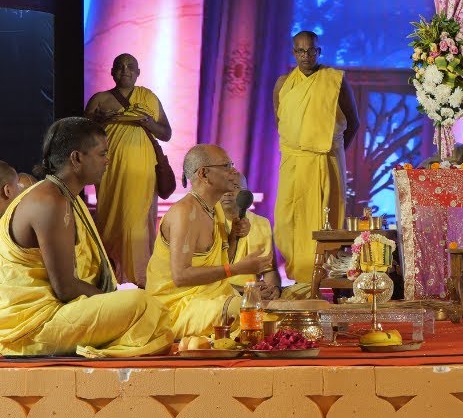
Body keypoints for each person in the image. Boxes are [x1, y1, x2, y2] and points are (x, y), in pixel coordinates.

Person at [0, 118, 172, 357]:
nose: (107, 160)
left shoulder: (66, 197)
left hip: (58, 313)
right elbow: (65, 288)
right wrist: (112, 299)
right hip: (34, 327)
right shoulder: (49, 201)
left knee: (148, 307)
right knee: (141, 305)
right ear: (77, 158)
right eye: (102, 154)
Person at [146, 145, 274, 337]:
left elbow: (219, 263)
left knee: (270, 310)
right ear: (204, 174)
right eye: (227, 166)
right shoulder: (185, 213)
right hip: (176, 308)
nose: (234, 171)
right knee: (253, 314)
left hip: (211, 298)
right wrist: (238, 269)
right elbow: (181, 276)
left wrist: (233, 237)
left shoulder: (215, 209)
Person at [273, 30, 358, 292]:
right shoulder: (284, 84)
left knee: (325, 219)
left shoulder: (335, 81)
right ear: (293, 53)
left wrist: (333, 150)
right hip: (294, 162)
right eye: (300, 51)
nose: (306, 56)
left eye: (311, 50)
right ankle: (299, 279)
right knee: (287, 220)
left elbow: (353, 123)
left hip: (326, 161)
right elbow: (282, 121)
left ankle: (328, 279)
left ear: (318, 52)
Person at [84, 53, 173, 286]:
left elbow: (166, 133)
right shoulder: (99, 100)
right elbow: (82, 136)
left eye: (130, 66)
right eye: (120, 66)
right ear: (112, 72)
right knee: (110, 219)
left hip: (142, 171)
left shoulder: (148, 97)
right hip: (109, 170)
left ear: (138, 72)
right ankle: (111, 277)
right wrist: (101, 121)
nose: (125, 70)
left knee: (137, 222)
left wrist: (148, 122)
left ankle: (140, 278)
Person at [221, 171, 283, 301]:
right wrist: (247, 291)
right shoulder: (208, 223)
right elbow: (204, 279)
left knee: (303, 292)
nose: (227, 192)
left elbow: (269, 270)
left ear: (246, 194)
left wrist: (273, 289)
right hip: (219, 295)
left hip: (255, 293)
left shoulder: (261, 223)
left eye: (235, 187)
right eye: (223, 187)